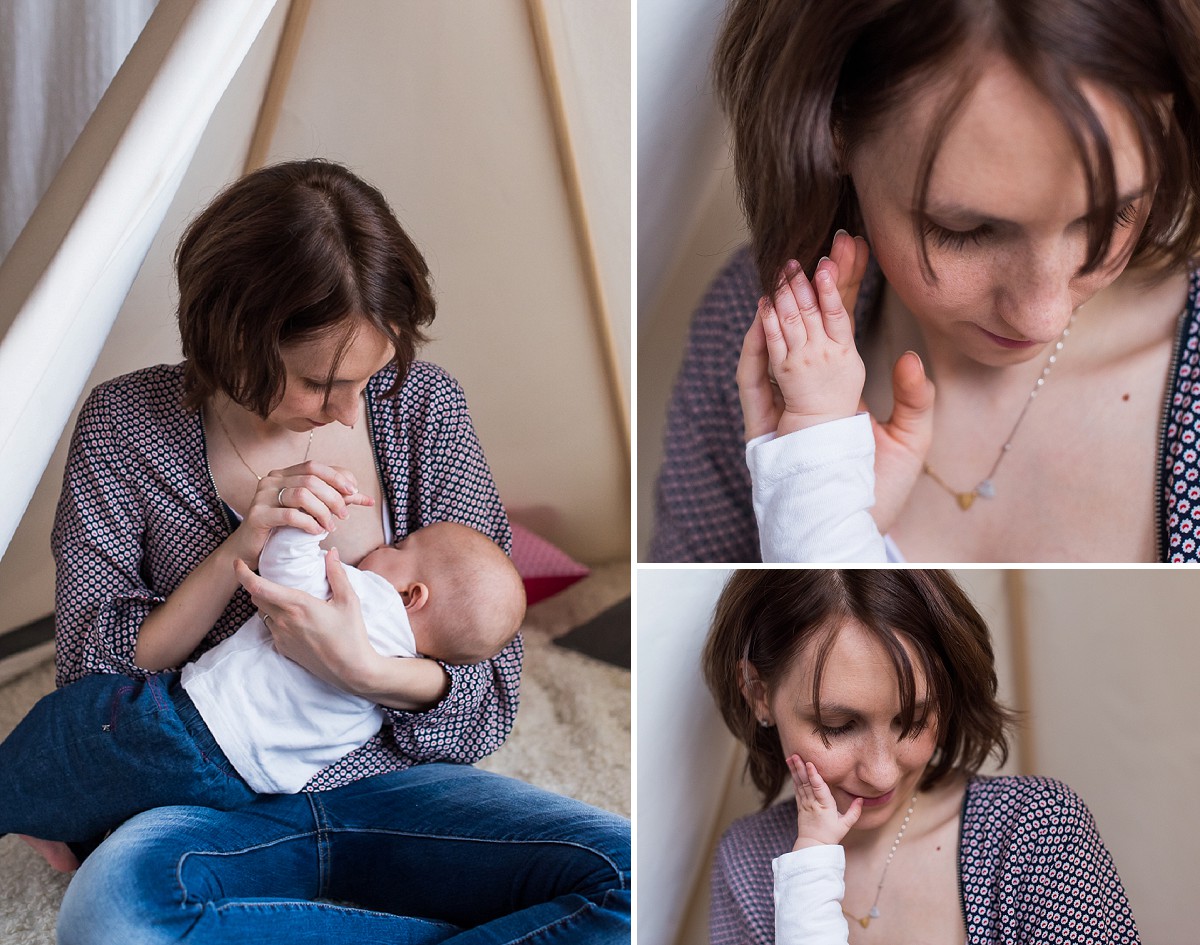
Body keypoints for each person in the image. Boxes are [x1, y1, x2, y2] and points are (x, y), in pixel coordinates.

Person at [44, 158, 630, 943]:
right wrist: (234, 553)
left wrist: (366, 672)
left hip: (402, 791)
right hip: (208, 806)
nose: (349, 409)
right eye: (320, 382)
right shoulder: (126, 429)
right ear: (233, 341)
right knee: (111, 918)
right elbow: (91, 675)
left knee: (632, 880)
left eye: (371, 373)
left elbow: (489, 696)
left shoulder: (421, 406)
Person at [650, 0, 1200, 563]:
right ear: (832, 127)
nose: (1044, 314)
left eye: (1111, 217)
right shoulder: (765, 336)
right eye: (965, 229)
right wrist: (809, 504)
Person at [1, 518, 526, 849]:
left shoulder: (362, 598)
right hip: (239, 789)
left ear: (412, 595)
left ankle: (21, 802)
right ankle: (69, 827)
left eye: (402, 543)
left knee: (73, 723)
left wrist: (305, 523)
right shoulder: (381, 703)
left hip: (187, 728)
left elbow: (284, 569)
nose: (387, 542)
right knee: (130, 796)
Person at [702, 569, 1140, 944]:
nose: (881, 772)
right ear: (760, 695)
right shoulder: (749, 861)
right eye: (838, 725)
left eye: (912, 720)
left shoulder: (1036, 827)